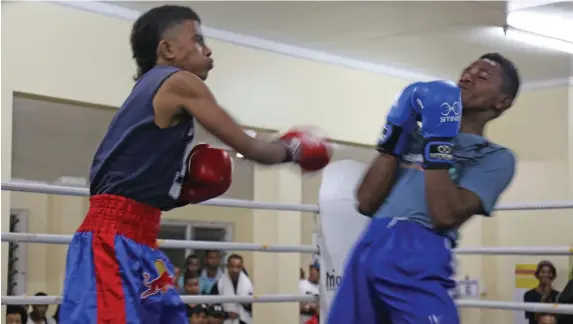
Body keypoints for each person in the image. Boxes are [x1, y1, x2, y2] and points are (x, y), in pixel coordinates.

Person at [59, 5, 331, 324]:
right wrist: (294, 148)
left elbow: (127, 188)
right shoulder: (179, 82)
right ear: (168, 49)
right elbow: (253, 148)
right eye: (198, 38)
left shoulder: (148, 91)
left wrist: (182, 192)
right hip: (112, 243)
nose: (208, 48)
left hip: (136, 238)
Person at [327, 53, 520, 324]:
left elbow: (445, 215)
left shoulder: (494, 157)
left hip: (418, 249)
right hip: (370, 245)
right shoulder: (414, 138)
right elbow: (366, 201)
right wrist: (396, 132)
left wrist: (439, 138)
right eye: (467, 70)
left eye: (482, 76)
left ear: (502, 102)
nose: (468, 76)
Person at [210, 254, 253, 324]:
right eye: (232, 266)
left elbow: (255, 307)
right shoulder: (219, 284)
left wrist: (244, 303)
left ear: (242, 267)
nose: (235, 270)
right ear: (227, 266)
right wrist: (226, 314)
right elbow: (212, 307)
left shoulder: (249, 284)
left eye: (238, 267)